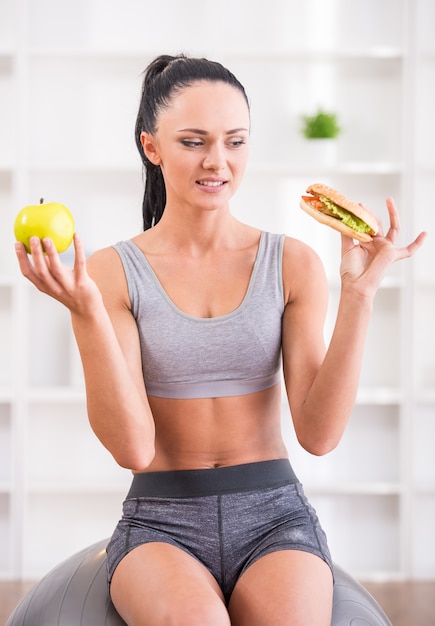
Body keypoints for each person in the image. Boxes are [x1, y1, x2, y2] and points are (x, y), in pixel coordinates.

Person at [15, 53, 426, 626]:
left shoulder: (293, 264)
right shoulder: (109, 273)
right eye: (193, 141)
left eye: (236, 141)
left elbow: (319, 435)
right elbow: (133, 448)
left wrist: (359, 295)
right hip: (160, 521)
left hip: (276, 517)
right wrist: (85, 311)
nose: (218, 161)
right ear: (151, 147)